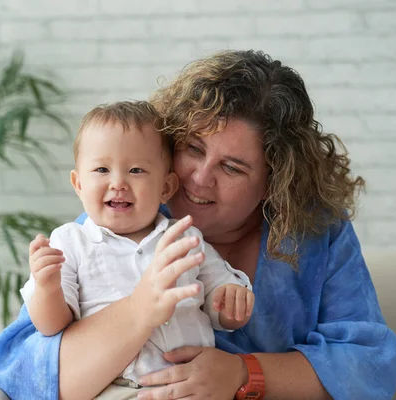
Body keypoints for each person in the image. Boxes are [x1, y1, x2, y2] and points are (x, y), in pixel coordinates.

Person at [0, 50, 396, 400]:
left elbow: (370, 365)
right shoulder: (113, 228)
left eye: (233, 167)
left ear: (275, 182)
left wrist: (244, 374)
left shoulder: (315, 232)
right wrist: (137, 311)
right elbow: (29, 370)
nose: (199, 178)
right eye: (193, 149)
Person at [20, 101, 254, 396]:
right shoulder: (69, 242)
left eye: (136, 170)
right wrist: (47, 287)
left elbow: (219, 299)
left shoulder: (184, 236)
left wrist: (230, 301)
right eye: (102, 169)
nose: (118, 183)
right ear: (78, 184)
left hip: (192, 385)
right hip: (115, 387)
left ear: (166, 187)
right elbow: (52, 326)